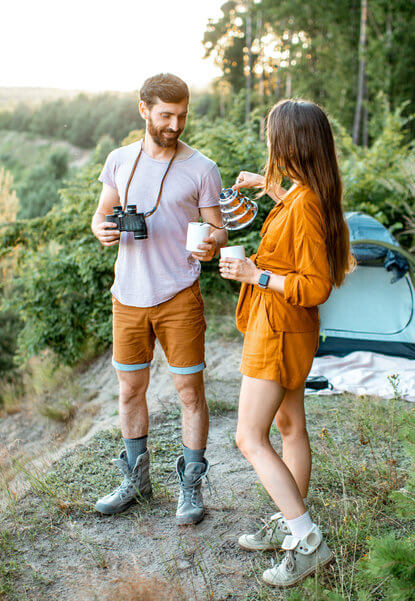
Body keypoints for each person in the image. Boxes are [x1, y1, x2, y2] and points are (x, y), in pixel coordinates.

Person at [219, 99, 352, 586]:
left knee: (248, 437)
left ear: (290, 142)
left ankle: (308, 540)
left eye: (273, 137)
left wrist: (256, 274)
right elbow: (298, 221)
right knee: (290, 425)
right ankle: (289, 520)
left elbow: (315, 285)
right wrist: (270, 187)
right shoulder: (306, 193)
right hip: (289, 330)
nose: (269, 145)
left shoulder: (308, 202)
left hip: (277, 329)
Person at [90, 73, 227, 525]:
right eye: (166, 115)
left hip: (178, 296)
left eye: (182, 115)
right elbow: (101, 214)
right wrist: (102, 228)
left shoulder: (202, 168)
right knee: (130, 390)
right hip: (127, 296)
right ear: (144, 109)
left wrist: (212, 243)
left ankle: (190, 485)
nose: (175, 124)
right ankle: (136, 479)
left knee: (189, 392)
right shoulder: (118, 160)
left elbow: (219, 228)